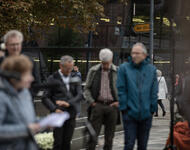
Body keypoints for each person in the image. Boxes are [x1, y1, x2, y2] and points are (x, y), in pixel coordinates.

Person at [117, 42, 158, 150]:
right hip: (129, 114)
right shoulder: (124, 68)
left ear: (144, 55)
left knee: (143, 145)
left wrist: (152, 109)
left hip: (146, 114)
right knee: (129, 144)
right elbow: (121, 89)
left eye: (137, 53)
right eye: (132, 53)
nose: (134, 55)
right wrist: (124, 109)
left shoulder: (151, 70)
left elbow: (154, 92)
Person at [42, 55, 83, 150]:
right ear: (61, 66)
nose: (69, 71)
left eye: (71, 68)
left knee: (67, 142)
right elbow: (45, 97)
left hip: (71, 114)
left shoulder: (75, 78)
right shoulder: (52, 78)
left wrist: (68, 103)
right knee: (58, 143)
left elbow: (79, 95)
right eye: (67, 68)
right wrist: (54, 109)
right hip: (57, 115)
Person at [0, 55, 40, 150]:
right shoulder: (1, 97)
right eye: (28, 75)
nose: (32, 79)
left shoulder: (25, 93)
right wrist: (26, 130)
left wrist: (43, 122)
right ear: (14, 77)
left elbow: (27, 121)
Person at [84, 48, 119, 150]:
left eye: (107, 63)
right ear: (100, 61)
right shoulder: (93, 71)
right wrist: (92, 102)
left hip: (112, 106)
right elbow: (86, 88)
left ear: (111, 60)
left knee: (109, 137)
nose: (106, 66)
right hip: (97, 105)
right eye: (104, 63)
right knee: (93, 135)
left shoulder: (117, 71)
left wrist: (119, 102)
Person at [0, 30, 41, 97]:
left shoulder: (30, 61)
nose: (15, 47)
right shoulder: (1, 61)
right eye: (12, 44)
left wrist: (25, 96)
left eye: (17, 44)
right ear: (6, 45)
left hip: (25, 103)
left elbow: (37, 84)